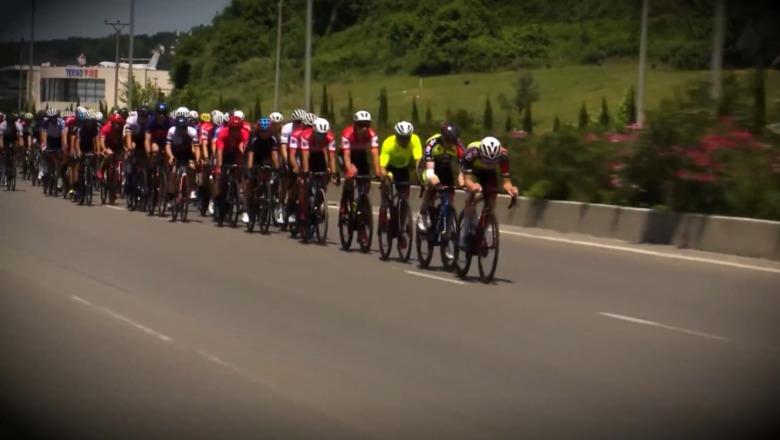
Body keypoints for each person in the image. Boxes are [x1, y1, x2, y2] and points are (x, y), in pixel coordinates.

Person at [459, 136, 518, 248]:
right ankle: (465, 232)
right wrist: (472, 186)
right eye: (486, 160)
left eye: (492, 162)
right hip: (472, 169)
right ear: (481, 153)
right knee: (473, 193)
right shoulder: (472, 153)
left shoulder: (503, 156)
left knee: (492, 200)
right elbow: (467, 180)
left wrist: (511, 189)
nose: (488, 163)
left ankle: (482, 233)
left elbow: (506, 182)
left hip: (489, 173)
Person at [417, 122, 465, 231]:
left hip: (444, 167)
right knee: (431, 186)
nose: (450, 144)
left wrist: (462, 180)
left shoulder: (458, 145)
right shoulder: (432, 143)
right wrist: (436, 182)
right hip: (428, 167)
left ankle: (448, 220)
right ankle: (423, 212)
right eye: (447, 141)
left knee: (449, 195)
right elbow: (430, 172)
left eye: (452, 141)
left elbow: (464, 166)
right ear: (442, 137)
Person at [338, 110, 379, 223]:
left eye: (367, 125)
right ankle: (344, 204)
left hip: (360, 156)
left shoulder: (372, 134)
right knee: (351, 175)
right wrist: (349, 170)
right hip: (346, 156)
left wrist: (378, 171)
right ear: (355, 125)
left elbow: (375, 153)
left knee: (366, 183)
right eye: (361, 125)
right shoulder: (347, 133)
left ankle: (361, 204)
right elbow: (346, 155)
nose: (364, 128)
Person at [241, 117, 280, 224]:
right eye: (262, 131)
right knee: (250, 181)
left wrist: (277, 167)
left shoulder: (273, 137)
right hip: (253, 157)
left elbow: (274, 154)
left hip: (266, 156)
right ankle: (246, 208)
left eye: (266, 131)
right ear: (258, 131)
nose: (265, 134)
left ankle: (266, 193)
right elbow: (251, 155)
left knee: (267, 172)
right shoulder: (253, 136)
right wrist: (250, 169)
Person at [379, 121, 422, 200]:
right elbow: (382, 167)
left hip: (403, 168)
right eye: (401, 138)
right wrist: (385, 176)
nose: (404, 141)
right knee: (386, 181)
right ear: (396, 136)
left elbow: (418, 161)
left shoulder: (415, 140)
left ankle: (403, 205)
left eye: (407, 138)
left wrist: (419, 176)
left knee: (404, 196)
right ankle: (383, 204)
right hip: (390, 167)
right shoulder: (388, 143)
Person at [165, 108, 199, 203]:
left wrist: (197, 159)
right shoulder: (171, 131)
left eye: (183, 128)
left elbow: (197, 148)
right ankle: (171, 194)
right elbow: (168, 146)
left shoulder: (192, 131)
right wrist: (171, 156)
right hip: (175, 152)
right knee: (173, 171)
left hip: (187, 152)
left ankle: (192, 189)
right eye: (179, 128)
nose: (181, 130)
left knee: (192, 168)